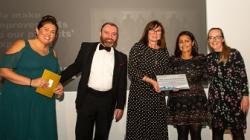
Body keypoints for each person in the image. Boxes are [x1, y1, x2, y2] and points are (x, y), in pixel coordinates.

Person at [0, 15, 63, 140]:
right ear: (37, 30)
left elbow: (54, 78)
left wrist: (59, 88)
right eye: (45, 29)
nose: (49, 34)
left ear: (55, 36)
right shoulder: (22, 44)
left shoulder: (53, 54)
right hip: (19, 103)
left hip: (43, 106)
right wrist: (31, 82)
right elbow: (3, 71)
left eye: (53, 32)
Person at [60, 22, 127, 140]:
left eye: (114, 34)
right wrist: (56, 80)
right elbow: (75, 67)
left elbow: (122, 84)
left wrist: (120, 105)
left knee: (102, 137)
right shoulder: (87, 48)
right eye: (106, 32)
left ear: (117, 37)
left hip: (108, 102)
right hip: (87, 99)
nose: (110, 36)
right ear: (100, 33)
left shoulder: (122, 57)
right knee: (82, 135)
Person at [125, 20, 171, 140]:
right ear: (147, 32)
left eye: (158, 30)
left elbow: (167, 73)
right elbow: (132, 71)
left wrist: (172, 84)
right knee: (139, 131)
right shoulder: (138, 47)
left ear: (162, 34)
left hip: (157, 99)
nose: (155, 33)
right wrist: (152, 81)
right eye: (152, 30)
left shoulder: (164, 51)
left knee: (157, 131)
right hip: (139, 98)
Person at [166, 31, 210, 140]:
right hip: (178, 104)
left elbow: (206, 78)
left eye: (187, 41)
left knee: (196, 135)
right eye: (181, 42)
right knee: (182, 135)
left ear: (192, 43)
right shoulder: (172, 60)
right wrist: (171, 86)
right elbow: (167, 79)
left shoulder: (201, 59)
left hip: (197, 103)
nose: (184, 44)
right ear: (178, 45)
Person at [206, 27, 249, 140]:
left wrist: (245, 96)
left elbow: (243, 76)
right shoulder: (208, 58)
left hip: (234, 101)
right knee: (217, 135)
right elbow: (202, 78)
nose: (213, 40)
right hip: (216, 102)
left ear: (223, 39)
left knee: (238, 134)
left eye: (217, 37)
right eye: (211, 37)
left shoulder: (234, 53)